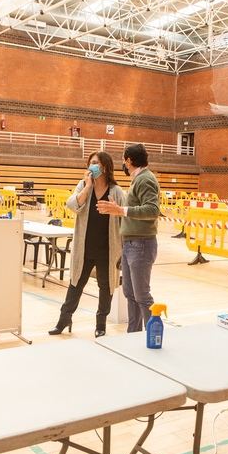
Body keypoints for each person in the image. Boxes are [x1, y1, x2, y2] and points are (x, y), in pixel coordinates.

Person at [49, 152, 126, 338]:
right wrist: (87, 186)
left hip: (107, 249)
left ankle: (101, 324)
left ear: (106, 167)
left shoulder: (116, 191)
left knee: (105, 287)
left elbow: (124, 221)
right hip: (84, 248)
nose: (92, 166)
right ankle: (64, 319)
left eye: (96, 163)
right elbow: (72, 205)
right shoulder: (84, 185)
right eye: (90, 163)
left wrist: (123, 250)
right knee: (75, 284)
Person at [96, 143, 160, 333]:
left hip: (141, 243)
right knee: (130, 293)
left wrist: (121, 210)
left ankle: (153, 333)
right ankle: (133, 334)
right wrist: (119, 209)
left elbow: (153, 210)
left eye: (124, 160)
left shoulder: (145, 180)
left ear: (129, 160)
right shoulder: (138, 179)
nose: (123, 163)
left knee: (142, 294)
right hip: (131, 243)